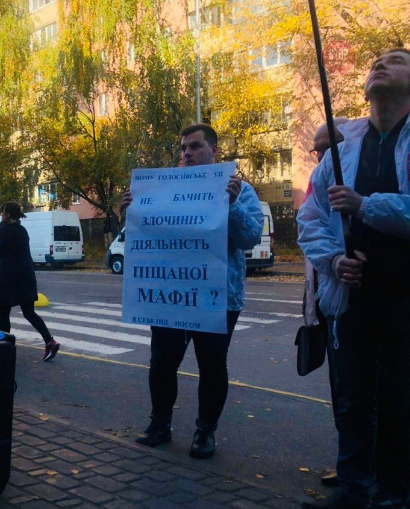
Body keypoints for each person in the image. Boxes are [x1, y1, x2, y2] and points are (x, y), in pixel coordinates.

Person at [297, 48, 410, 509]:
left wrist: (366, 204)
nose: (381, 65)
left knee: (401, 398)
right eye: (376, 62)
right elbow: (312, 217)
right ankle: (352, 487)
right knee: (353, 397)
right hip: (354, 295)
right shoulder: (343, 151)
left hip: (405, 296)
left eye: (398, 59)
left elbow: (357, 205)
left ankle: (395, 492)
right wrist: (334, 260)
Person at [123, 124, 264, 458]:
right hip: (171, 293)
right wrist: (130, 210)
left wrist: (231, 204)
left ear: (214, 151)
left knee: (212, 364)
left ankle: (205, 432)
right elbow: (145, 239)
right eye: (184, 147)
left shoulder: (241, 190)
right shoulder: (162, 189)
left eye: (195, 147)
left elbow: (250, 237)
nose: (186, 153)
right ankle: (159, 425)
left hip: (218, 295)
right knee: (162, 361)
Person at [303, 118, 348, 488]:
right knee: (343, 393)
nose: (320, 155)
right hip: (328, 307)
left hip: (357, 307)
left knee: (365, 394)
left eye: (327, 147)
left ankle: (369, 470)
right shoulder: (318, 187)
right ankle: (352, 463)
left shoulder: (352, 181)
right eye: (317, 149)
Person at [0, 201, 59, 362]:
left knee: (3, 312)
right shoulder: (22, 230)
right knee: (29, 312)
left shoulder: (3, 230)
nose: (1, 215)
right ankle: (49, 341)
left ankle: (6, 348)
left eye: (2, 212)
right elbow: (15, 253)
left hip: (10, 279)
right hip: (26, 277)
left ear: (7, 214)